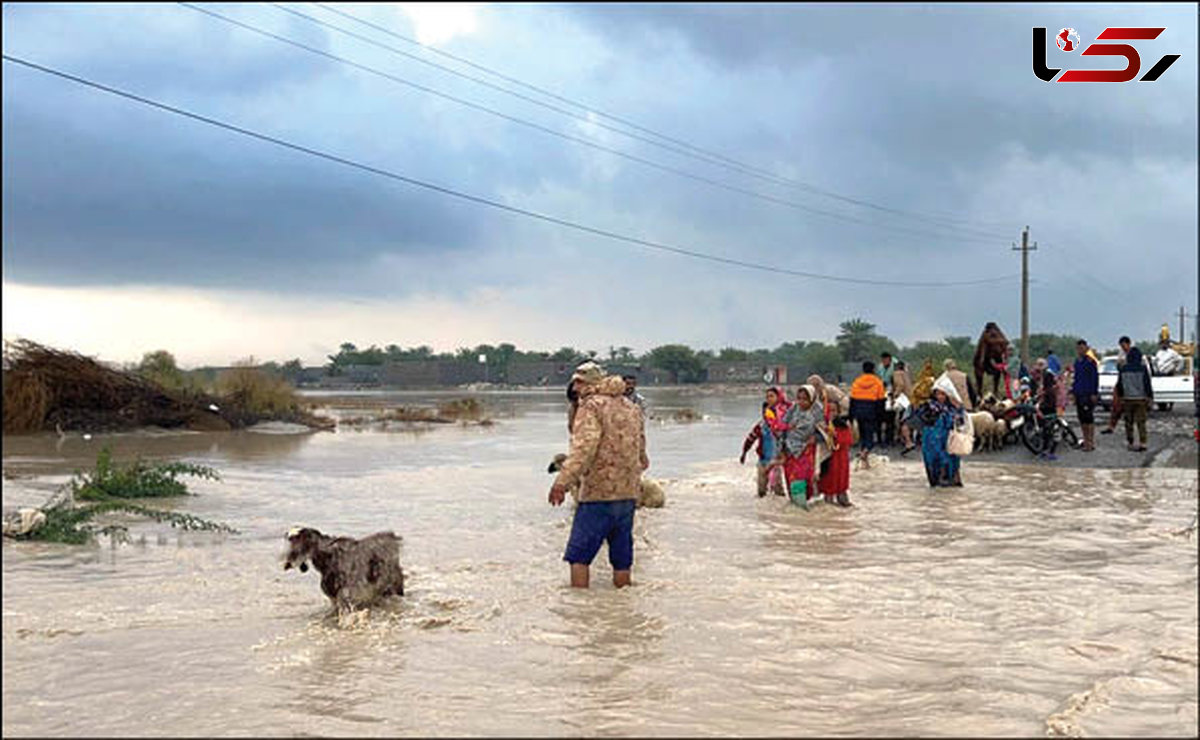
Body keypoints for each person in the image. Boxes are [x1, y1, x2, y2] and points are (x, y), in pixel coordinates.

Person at [549, 366, 648, 589]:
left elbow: (584, 449)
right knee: (622, 560)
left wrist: (562, 483)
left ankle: (580, 616)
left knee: (578, 557)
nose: (574, 387)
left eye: (578, 382)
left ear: (591, 383)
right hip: (628, 495)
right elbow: (642, 454)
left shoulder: (591, 406)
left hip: (597, 495)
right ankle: (622, 613)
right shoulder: (631, 406)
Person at [778, 385, 828, 508]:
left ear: (812, 399)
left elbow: (825, 433)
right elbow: (782, 427)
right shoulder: (793, 409)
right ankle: (796, 509)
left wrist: (815, 438)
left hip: (805, 450)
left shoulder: (817, 411)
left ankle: (803, 508)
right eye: (799, 398)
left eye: (805, 399)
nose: (801, 402)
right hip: (790, 450)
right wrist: (781, 448)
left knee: (802, 478)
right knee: (791, 479)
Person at [808, 374, 852, 507]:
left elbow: (846, 441)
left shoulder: (842, 425)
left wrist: (832, 435)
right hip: (826, 458)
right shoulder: (810, 401)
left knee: (840, 486)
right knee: (827, 485)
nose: (815, 388)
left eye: (817, 385)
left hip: (839, 459)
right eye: (813, 386)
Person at [917, 379, 965, 487]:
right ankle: (937, 483)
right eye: (938, 394)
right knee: (933, 462)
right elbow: (923, 418)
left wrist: (958, 410)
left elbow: (961, 423)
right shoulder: (929, 406)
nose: (940, 397)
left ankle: (950, 480)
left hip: (948, 440)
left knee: (950, 462)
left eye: (943, 394)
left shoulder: (953, 408)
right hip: (931, 440)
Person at [1115, 335, 1153, 452]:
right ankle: (1143, 442)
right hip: (1141, 399)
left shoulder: (1124, 369)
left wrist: (1120, 396)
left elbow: (1120, 384)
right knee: (1141, 422)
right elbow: (1147, 384)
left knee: (1128, 422)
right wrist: (1150, 397)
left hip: (1127, 399)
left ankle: (1130, 442)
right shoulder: (1143, 369)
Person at [741, 403, 785, 497]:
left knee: (778, 491)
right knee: (761, 491)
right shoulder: (760, 426)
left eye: (770, 412)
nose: (767, 414)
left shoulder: (780, 426)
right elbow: (750, 439)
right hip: (763, 461)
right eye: (765, 412)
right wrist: (744, 453)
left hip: (775, 463)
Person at [849, 361, 886, 466]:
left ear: (863, 369)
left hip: (858, 410)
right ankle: (865, 452)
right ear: (873, 369)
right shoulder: (878, 382)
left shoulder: (857, 381)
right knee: (870, 435)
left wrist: (851, 416)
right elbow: (881, 401)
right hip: (872, 410)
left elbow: (852, 400)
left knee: (862, 434)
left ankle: (864, 457)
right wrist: (881, 417)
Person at [1071, 339, 1099, 452]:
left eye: (1083, 348)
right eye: (1079, 348)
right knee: (1081, 419)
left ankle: (1090, 442)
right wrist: (1073, 393)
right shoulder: (1077, 362)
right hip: (1079, 393)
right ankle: (1085, 440)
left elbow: (1095, 378)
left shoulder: (1091, 362)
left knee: (1089, 419)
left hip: (1088, 394)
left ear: (1086, 348)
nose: (1080, 350)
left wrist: (1094, 393)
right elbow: (1076, 379)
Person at [1035, 359, 1059, 461]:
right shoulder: (1045, 374)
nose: (1039, 367)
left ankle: (1050, 452)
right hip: (1047, 403)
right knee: (1046, 429)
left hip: (1049, 405)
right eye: (1038, 365)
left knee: (1049, 429)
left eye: (1041, 365)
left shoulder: (1048, 375)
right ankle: (1046, 451)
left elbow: (1049, 390)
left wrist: (1042, 394)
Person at [878, 352, 897, 446]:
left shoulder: (895, 366)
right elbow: (879, 378)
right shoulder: (880, 367)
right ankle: (883, 439)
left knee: (891, 418)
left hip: (892, 393)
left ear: (889, 359)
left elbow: (897, 381)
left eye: (885, 360)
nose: (884, 362)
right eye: (882, 360)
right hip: (882, 392)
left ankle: (891, 438)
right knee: (883, 418)